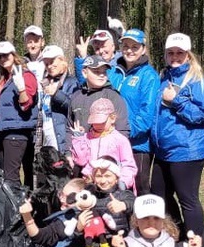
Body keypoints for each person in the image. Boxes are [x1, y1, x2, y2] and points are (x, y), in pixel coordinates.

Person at [150, 33, 204, 242]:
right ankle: (180, 233)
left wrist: (176, 101)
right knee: (159, 195)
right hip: (163, 149)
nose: (175, 57)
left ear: (188, 55)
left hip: (187, 149)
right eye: (171, 53)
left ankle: (196, 245)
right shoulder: (164, 77)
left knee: (188, 199)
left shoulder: (197, 80)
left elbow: (200, 115)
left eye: (180, 53)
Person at [51, 55, 131, 169]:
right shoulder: (76, 97)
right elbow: (69, 128)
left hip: (105, 162)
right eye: (96, 71)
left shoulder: (113, 97)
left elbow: (123, 130)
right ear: (84, 73)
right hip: (80, 161)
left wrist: (110, 158)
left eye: (104, 72)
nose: (101, 75)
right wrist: (68, 154)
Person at [109, 28, 160, 194]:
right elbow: (94, 85)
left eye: (134, 47)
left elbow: (147, 115)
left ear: (143, 49)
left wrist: (123, 133)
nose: (129, 50)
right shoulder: (114, 72)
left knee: (140, 186)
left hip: (138, 144)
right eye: (126, 46)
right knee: (116, 186)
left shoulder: (149, 75)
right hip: (114, 141)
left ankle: (144, 220)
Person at [0, 41, 40, 186]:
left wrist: (22, 89)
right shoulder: (3, 79)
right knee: (5, 175)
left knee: (11, 177)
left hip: (17, 132)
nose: (2, 59)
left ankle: (18, 207)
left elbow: (26, 104)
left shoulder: (25, 75)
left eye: (6, 55)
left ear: (13, 55)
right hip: (2, 131)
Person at [70, 98, 137, 189]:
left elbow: (128, 165)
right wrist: (79, 138)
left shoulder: (120, 140)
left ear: (112, 118)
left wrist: (123, 182)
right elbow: (81, 161)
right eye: (95, 122)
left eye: (102, 122)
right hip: (90, 183)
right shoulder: (87, 137)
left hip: (111, 184)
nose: (98, 125)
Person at [40, 45, 79, 154]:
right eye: (46, 64)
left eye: (52, 62)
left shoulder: (71, 82)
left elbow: (74, 107)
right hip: (47, 140)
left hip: (63, 140)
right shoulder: (45, 84)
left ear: (62, 60)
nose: (49, 66)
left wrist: (56, 94)